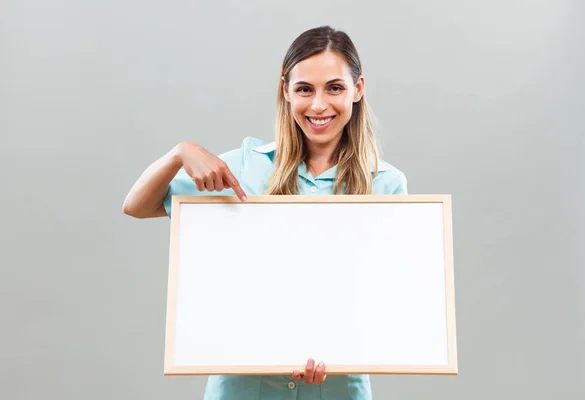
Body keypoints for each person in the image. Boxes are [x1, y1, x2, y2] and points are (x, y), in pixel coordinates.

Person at [123, 25, 407, 400]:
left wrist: (341, 351)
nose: (319, 105)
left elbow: (387, 299)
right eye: (305, 89)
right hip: (242, 389)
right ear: (285, 91)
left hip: (338, 390)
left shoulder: (385, 184)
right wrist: (180, 152)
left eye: (334, 87)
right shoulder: (243, 168)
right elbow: (137, 205)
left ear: (358, 89)